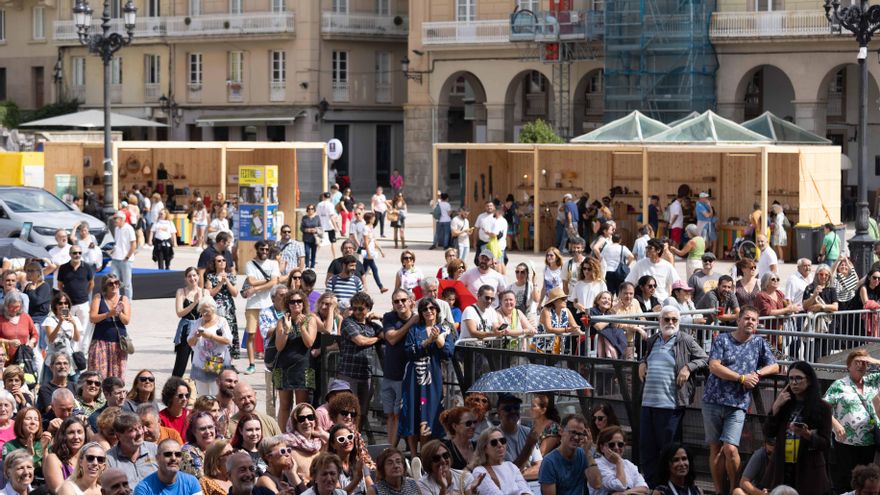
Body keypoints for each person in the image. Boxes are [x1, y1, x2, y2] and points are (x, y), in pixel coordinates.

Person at [703, 306, 779, 495]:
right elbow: (714, 366)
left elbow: (775, 366)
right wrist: (741, 378)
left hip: (738, 404)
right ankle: (719, 490)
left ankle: (733, 490)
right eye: (746, 318)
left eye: (754, 319)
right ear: (738, 320)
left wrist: (757, 373)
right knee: (715, 448)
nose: (750, 322)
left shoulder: (759, 343)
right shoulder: (722, 339)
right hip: (713, 400)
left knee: (730, 449)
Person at [637, 306, 708, 485]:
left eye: (674, 320)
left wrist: (688, 367)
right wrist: (642, 362)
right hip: (648, 404)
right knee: (647, 450)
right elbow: (647, 357)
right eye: (666, 319)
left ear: (679, 321)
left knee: (669, 452)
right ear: (659, 321)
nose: (670, 323)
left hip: (670, 406)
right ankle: (652, 487)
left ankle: (668, 487)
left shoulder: (685, 339)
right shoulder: (653, 339)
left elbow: (705, 358)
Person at [763, 361, 831, 495]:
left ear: (809, 380)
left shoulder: (823, 407)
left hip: (808, 470)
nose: (794, 383)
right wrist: (775, 407)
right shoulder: (784, 403)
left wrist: (807, 435)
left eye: (799, 378)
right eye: (791, 378)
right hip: (783, 467)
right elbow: (768, 432)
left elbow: (825, 443)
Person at [400, 297, 455, 454]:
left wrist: (438, 339)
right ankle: (414, 455)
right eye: (425, 309)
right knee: (412, 413)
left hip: (432, 379)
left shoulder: (444, 329)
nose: (429, 311)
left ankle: (424, 454)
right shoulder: (414, 330)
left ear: (437, 311)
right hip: (413, 379)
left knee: (429, 413)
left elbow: (448, 353)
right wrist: (426, 342)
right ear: (421, 312)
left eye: (432, 308)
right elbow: (409, 352)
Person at [823, 349, 880, 492]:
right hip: (846, 441)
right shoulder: (839, 385)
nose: (861, 366)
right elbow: (822, 408)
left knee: (865, 480)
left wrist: (875, 361)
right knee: (846, 479)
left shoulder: (872, 381)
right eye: (857, 362)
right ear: (848, 366)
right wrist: (835, 424)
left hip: (868, 440)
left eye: (864, 363)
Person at [273, 290, 316, 432]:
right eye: (292, 302)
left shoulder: (310, 319)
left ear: (303, 303)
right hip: (283, 366)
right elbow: (279, 346)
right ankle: (283, 434)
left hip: (304, 366)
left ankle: (301, 433)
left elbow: (309, 343)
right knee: (284, 405)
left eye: (299, 301)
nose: (296, 304)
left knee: (302, 405)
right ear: (288, 304)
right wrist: (286, 328)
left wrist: (302, 326)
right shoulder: (282, 320)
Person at [337, 292, 379, 430]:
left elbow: (387, 334)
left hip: (366, 375)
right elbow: (360, 341)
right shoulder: (348, 322)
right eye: (354, 308)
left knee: (361, 413)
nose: (357, 311)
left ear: (368, 309)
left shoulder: (372, 325)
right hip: (348, 376)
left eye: (361, 309)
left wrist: (381, 318)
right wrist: (378, 339)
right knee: (347, 413)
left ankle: (357, 441)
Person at [537, 413, 601, 495]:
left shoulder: (583, 454)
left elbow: (597, 484)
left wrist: (587, 452)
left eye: (579, 434)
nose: (576, 437)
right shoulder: (549, 462)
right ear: (561, 431)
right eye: (573, 432)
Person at [244, 240, 281, 375]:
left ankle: (272, 361)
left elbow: (274, 282)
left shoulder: (273, 263)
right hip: (253, 304)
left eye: (266, 249)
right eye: (262, 249)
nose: (264, 252)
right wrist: (269, 281)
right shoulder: (249, 264)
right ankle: (251, 364)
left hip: (268, 304)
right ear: (257, 249)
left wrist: (255, 289)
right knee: (251, 335)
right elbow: (251, 281)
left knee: (273, 334)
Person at [87, 274, 131, 380]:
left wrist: (118, 312)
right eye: (111, 283)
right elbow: (92, 318)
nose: (114, 285)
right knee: (98, 375)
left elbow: (127, 321)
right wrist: (108, 314)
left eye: (116, 283)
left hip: (118, 343)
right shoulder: (98, 297)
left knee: (117, 377)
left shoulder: (123, 299)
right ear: (105, 286)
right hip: (100, 342)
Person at [187, 299, 232, 395]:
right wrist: (196, 336)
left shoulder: (221, 321)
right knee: (203, 396)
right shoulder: (198, 322)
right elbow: (190, 342)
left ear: (213, 309)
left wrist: (211, 336)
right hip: (200, 364)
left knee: (216, 393)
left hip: (216, 362)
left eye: (207, 311)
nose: (204, 313)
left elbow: (228, 340)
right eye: (202, 311)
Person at [469, 427, 531, 495]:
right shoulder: (480, 471)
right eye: (494, 442)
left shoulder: (511, 466)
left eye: (502, 440)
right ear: (484, 448)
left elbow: (525, 490)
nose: (500, 445)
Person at [133, 439, 203, 495]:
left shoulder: (192, 482)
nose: (173, 458)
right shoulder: (143, 489)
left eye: (177, 454)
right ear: (157, 458)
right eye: (168, 454)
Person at [593, 425, 649, 495]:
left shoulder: (628, 464)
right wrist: (618, 462)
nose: (616, 448)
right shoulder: (597, 464)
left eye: (620, 444)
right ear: (602, 448)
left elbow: (644, 488)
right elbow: (620, 485)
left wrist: (626, 493)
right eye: (611, 445)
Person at [42, 292, 82, 384]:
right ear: (55, 305)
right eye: (60, 303)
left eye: (66, 303)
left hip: (70, 359)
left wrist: (74, 324)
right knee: (50, 386)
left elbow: (76, 339)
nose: (63, 305)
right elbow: (51, 339)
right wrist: (60, 322)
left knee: (74, 386)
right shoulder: (50, 320)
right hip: (53, 359)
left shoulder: (75, 319)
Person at [58, 244, 96, 333]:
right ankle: (69, 346)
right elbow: (59, 284)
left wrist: (85, 294)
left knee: (84, 328)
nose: (77, 255)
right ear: (70, 254)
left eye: (79, 253)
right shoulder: (63, 268)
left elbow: (91, 283)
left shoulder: (87, 267)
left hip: (83, 303)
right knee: (66, 326)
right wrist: (65, 296)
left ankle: (81, 347)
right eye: (75, 253)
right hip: (67, 304)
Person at [44, 417, 89, 493]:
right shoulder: (53, 459)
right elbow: (59, 491)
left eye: (79, 432)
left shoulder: (91, 458)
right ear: (63, 436)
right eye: (71, 432)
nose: (76, 437)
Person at [325, 423, 373, 495]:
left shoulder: (358, 462)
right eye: (341, 439)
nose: (347, 441)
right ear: (333, 445)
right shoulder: (330, 467)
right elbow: (338, 494)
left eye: (350, 437)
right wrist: (357, 478)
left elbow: (371, 487)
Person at [2, 406, 44, 477]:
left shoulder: (44, 443)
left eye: (36, 419)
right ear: (20, 422)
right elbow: (10, 472)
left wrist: (45, 450)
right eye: (28, 419)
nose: (33, 422)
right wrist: (28, 455)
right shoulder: (9, 446)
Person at [288, 403, 325, 482]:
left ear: (315, 420)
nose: (307, 422)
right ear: (295, 423)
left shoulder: (322, 443)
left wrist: (322, 434)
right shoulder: (287, 445)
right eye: (301, 419)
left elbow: (338, 444)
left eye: (310, 417)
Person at [537, 288, 581, 355]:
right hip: (541, 350)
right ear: (554, 301)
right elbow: (549, 329)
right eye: (563, 299)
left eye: (566, 298)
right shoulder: (546, 310)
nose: (566, 301)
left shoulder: (567, 311)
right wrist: (567, 330)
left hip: (557, 350)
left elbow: (574, 326)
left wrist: (580, 332)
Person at [0, 291, 37, 360]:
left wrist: (31, 342)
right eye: (11, 307)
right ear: (6, 306)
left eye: (17, 307)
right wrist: (9, 342)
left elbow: (35, 334)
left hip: (23, 358)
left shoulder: (26, 317)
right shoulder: (1, 319)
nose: (14, 310)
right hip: (4, 360)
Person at [179, 412, 216, 478]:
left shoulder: (219, 447)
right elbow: (202, 477)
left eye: (210, 427)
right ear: (193, 432)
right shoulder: (187, 451)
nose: (207, 432)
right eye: (202, 429)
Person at [110, 211, 137, 300]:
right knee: (114, 281)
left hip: (125, 260)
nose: (114, 221)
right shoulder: (116, 229)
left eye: (116, 219)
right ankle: (116, 300)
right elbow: (118, 243)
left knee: (126, 283)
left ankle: (128, 302)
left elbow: (133, 244)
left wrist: (127, 257)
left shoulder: (129, 228)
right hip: (115, 258)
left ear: (121, 219)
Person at [360, 212, 388, 294]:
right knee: (374, 269)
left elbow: (374, 240)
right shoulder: (365, 228)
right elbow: (365, 242)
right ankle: (381, 287)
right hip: (368, 252)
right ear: (370, 219)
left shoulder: (371, 227)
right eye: (373, 218)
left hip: (371, 251)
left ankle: (357, 284)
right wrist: (368, 253)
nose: (375, 219)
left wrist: (381, 250)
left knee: (364, 270)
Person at [510, 262, 540, 327]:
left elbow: (536, 299)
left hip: (529, 316)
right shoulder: (510, 287)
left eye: (522, 272)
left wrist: (534, 283)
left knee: (530, 336)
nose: (519, 274)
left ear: (527, 274)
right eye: (517, 272)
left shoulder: (531, 286)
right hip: (516, 316)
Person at [317, 192, 341, 259]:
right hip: (330, 225)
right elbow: (332, 217)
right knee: (333, 241)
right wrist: (336, 227)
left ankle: (314, 255)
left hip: (321, 225)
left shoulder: (319, 204)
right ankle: (334, 256)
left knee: (319, 241)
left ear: (323, 197)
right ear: (329, 197)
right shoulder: (330, 205)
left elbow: (317, 215)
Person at [301, 205, 321, 269]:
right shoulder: (304, 218)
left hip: (314, 238)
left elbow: (320, 227)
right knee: (307, 252)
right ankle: (306, 265)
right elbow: (301, 228)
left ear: (314, 209)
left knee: (313, 252)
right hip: (306, 238)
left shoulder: (317, 217)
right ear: (307, 210)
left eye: (312, 208)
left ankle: (312, 265)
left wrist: (315, 230)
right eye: (309, 208)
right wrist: (307, 230)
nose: (310, 210)